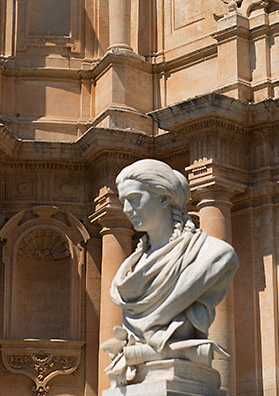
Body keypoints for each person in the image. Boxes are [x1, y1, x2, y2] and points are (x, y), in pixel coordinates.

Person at [103, 158, 238, 386]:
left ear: (164, 198)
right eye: (124, 201)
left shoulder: (215, 255)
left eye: (134, 199)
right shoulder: (129, 269)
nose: (126, 210)